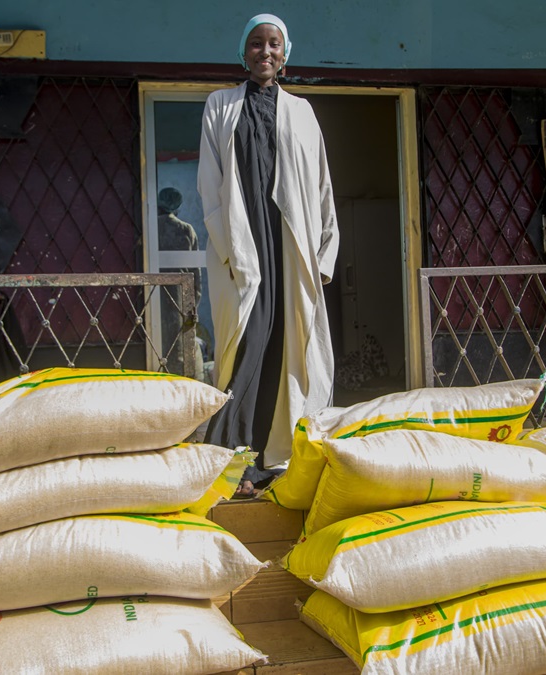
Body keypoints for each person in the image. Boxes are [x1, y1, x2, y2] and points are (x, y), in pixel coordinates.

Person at [197, 14, 339, 497]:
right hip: (244, 246)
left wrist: (323, 256)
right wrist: (228, 250)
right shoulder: (220, 105)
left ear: (285, 53)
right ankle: (231, 457)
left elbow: (321, 188)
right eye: (256, 44)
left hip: (289, 245)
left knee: (286, 343)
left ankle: (275, 459)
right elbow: (210, 188)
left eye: (273, 44)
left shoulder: (302, 112)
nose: (265, 51)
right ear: (244, 53)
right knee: (248, 342)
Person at [157, 187, 203, 379]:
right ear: (178, 207)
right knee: (178, 351)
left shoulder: (149, 227)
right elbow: (195, 275)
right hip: (179, 297)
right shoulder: (186, 230)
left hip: (154, 295)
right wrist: (193, 305)